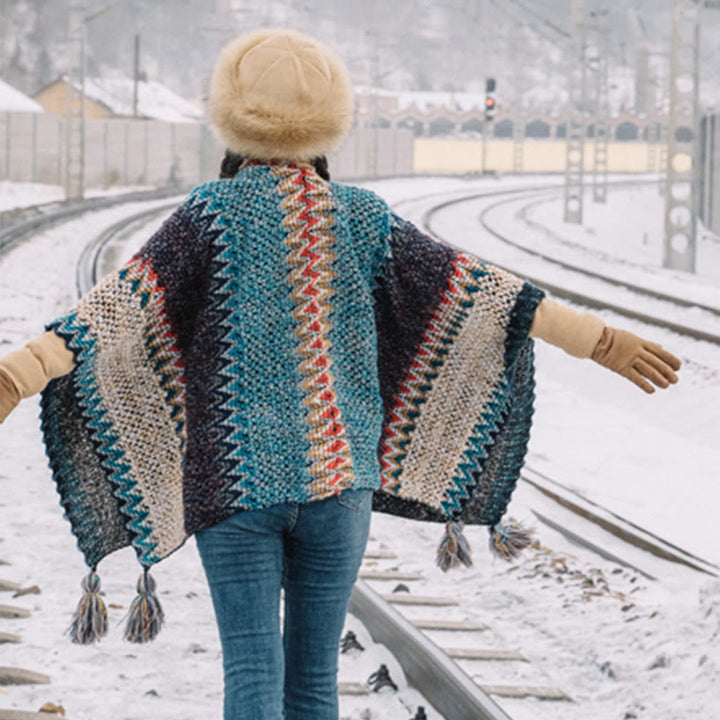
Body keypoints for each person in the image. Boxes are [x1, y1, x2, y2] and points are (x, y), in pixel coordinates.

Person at [0, 28, 680, 720]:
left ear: (233, 114)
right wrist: (600, 340)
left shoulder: (208, 216)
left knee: (252, 672)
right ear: (329, 119)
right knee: (314, 682)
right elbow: (482, 291)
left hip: (236, 490)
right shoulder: (362, 219)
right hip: (338, 482)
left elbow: (110, 313)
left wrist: (17, 375)